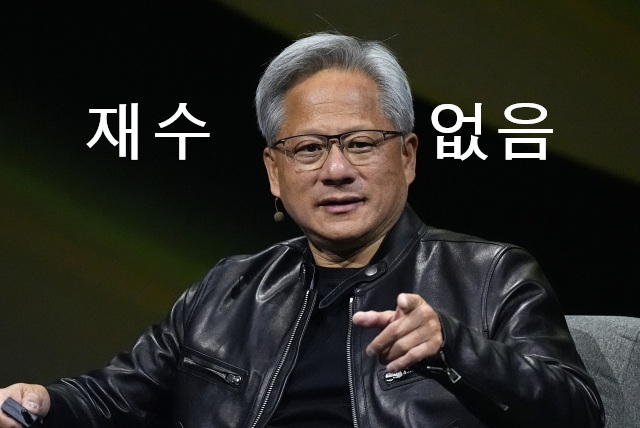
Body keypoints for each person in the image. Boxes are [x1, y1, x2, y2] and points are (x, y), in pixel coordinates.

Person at [0, 32, 604, 428]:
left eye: (361, 143)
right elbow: (116, 395)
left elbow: (579, 411)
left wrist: (455, 345)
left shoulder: (490, 275)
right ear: (274, 171)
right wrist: (43, 402)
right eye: (309, 148)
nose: (336, 170)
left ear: (408, 156)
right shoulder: (229, 289)